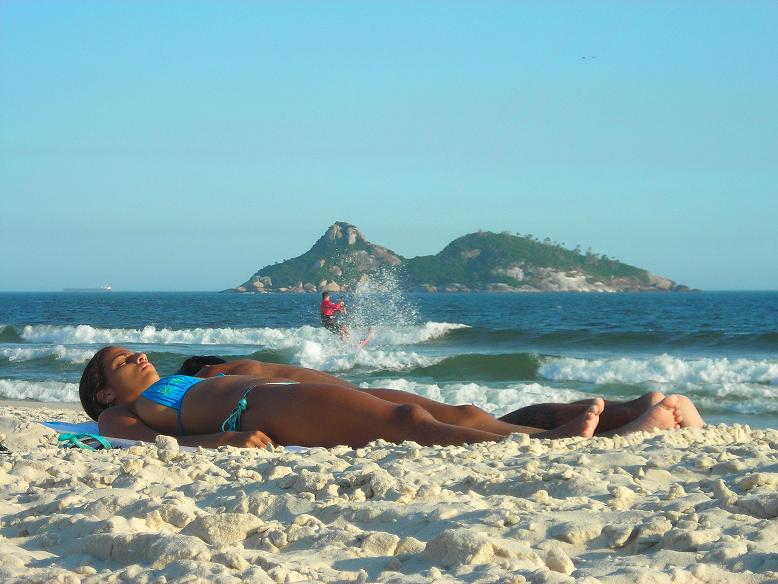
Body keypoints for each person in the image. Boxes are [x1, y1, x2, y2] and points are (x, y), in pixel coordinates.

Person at [78, 346, 692, 450]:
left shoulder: (180, 378)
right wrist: (224, 439)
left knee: (466, 415)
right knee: (407, 422)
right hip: (260, 411)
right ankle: (562, 446)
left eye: (131, 351)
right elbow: (151, 447)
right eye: (118, 361)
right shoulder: (118, 411)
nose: (136, 356)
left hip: (297, 393)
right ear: (105, 388)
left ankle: (622, 420)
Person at [176, 356, 705, 435]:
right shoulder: (213, 383)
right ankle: (616, 428)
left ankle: (630, 411)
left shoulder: (252, 370)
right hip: (348, 405)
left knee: (473, 413)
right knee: (467, 418)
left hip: (355, 395)